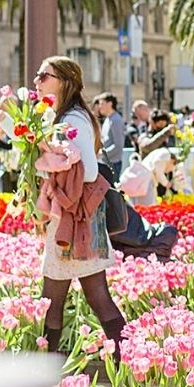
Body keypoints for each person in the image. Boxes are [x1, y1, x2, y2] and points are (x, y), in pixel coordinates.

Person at [33, 57, 126, 358]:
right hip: (76, 219)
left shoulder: (71, 120)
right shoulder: (62, 116)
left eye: (43, 76)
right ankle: (129, 357)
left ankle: (49, 368)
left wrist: (49, 165)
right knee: (89, 295)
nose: (37, 81)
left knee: (57, 298)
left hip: (74, 221)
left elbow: (86, 172)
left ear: (62, 80)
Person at [92, 92, 127, 179]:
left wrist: (101, 154)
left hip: (112, 164)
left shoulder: (116, 120)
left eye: (102, 103)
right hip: (106, 162)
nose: (100, 107)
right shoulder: (108, 119)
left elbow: (118, 146)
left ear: (110, 103)